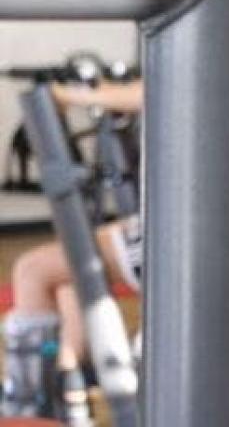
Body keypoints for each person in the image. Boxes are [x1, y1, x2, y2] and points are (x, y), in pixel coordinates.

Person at [2, 80, 142, 423]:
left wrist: (73, 94)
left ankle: (29, 403)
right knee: (68, 277)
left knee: (35, 270)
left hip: (179, 239)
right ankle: (65, 387)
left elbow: (152, 92)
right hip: (167, 225)